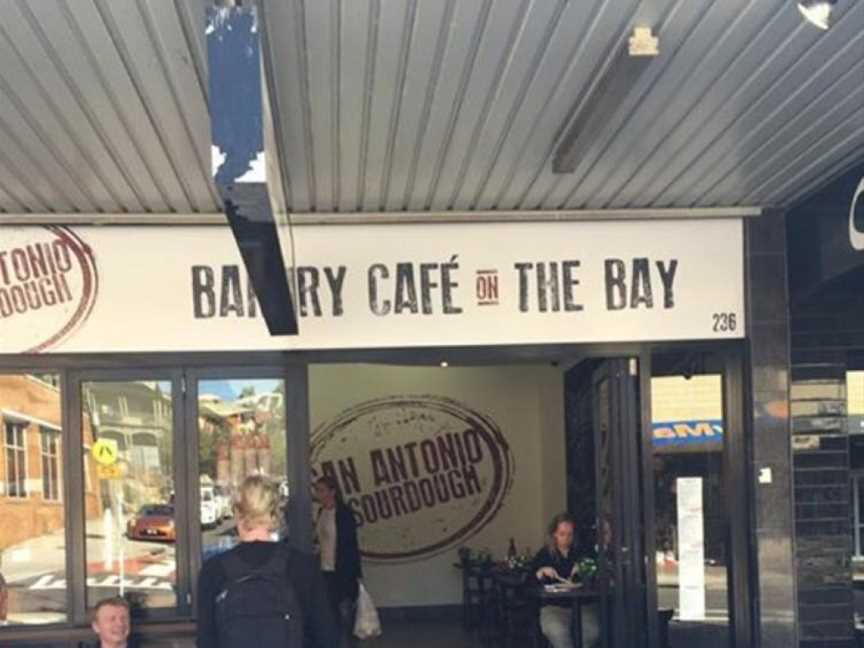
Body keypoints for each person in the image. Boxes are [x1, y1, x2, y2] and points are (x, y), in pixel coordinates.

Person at [197, 475, 339, 648]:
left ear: (237, 513)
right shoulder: (302, 566)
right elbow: (326, 635)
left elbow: (205, 640)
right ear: (274, 515)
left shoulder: (214, 570)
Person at [532, 513, 600, 648]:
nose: (566, 538)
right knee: (558, 632)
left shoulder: (584, 550)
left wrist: (585, 568)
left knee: (592, 632)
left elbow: (598, 571)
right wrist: (540, 572)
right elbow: (529, 582)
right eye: (562, 534)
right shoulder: (544, 554)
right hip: (554, 606)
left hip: (583, 605)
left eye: (570, 534)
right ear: (554, 534)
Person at [313, 476, 362, 644]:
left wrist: (352, 573)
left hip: (341, 569)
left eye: (321, 490)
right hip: (325, 568)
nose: (318, 494)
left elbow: (349, 546)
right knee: (331, 610)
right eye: (317, 490)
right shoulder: (321, 512)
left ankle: (347, 642)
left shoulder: (344, 514)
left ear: (332, 492)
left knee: (345, 611)